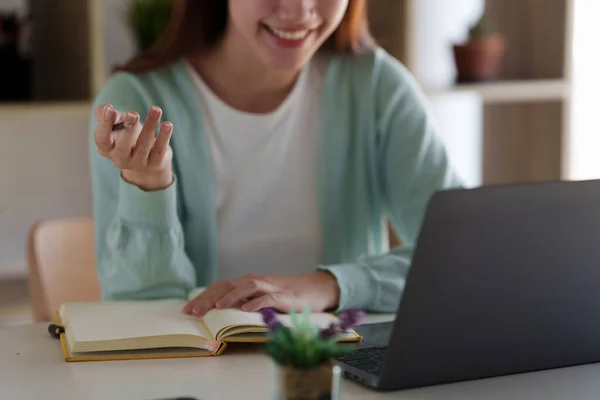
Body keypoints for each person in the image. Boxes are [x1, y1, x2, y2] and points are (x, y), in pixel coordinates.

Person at [88, 0, 462, 317]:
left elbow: (461, 254)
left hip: (336, 368)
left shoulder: (378, 87)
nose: (298, 11)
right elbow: (139, 313)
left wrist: (330, 286)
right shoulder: (134, 104)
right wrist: (148, 189)